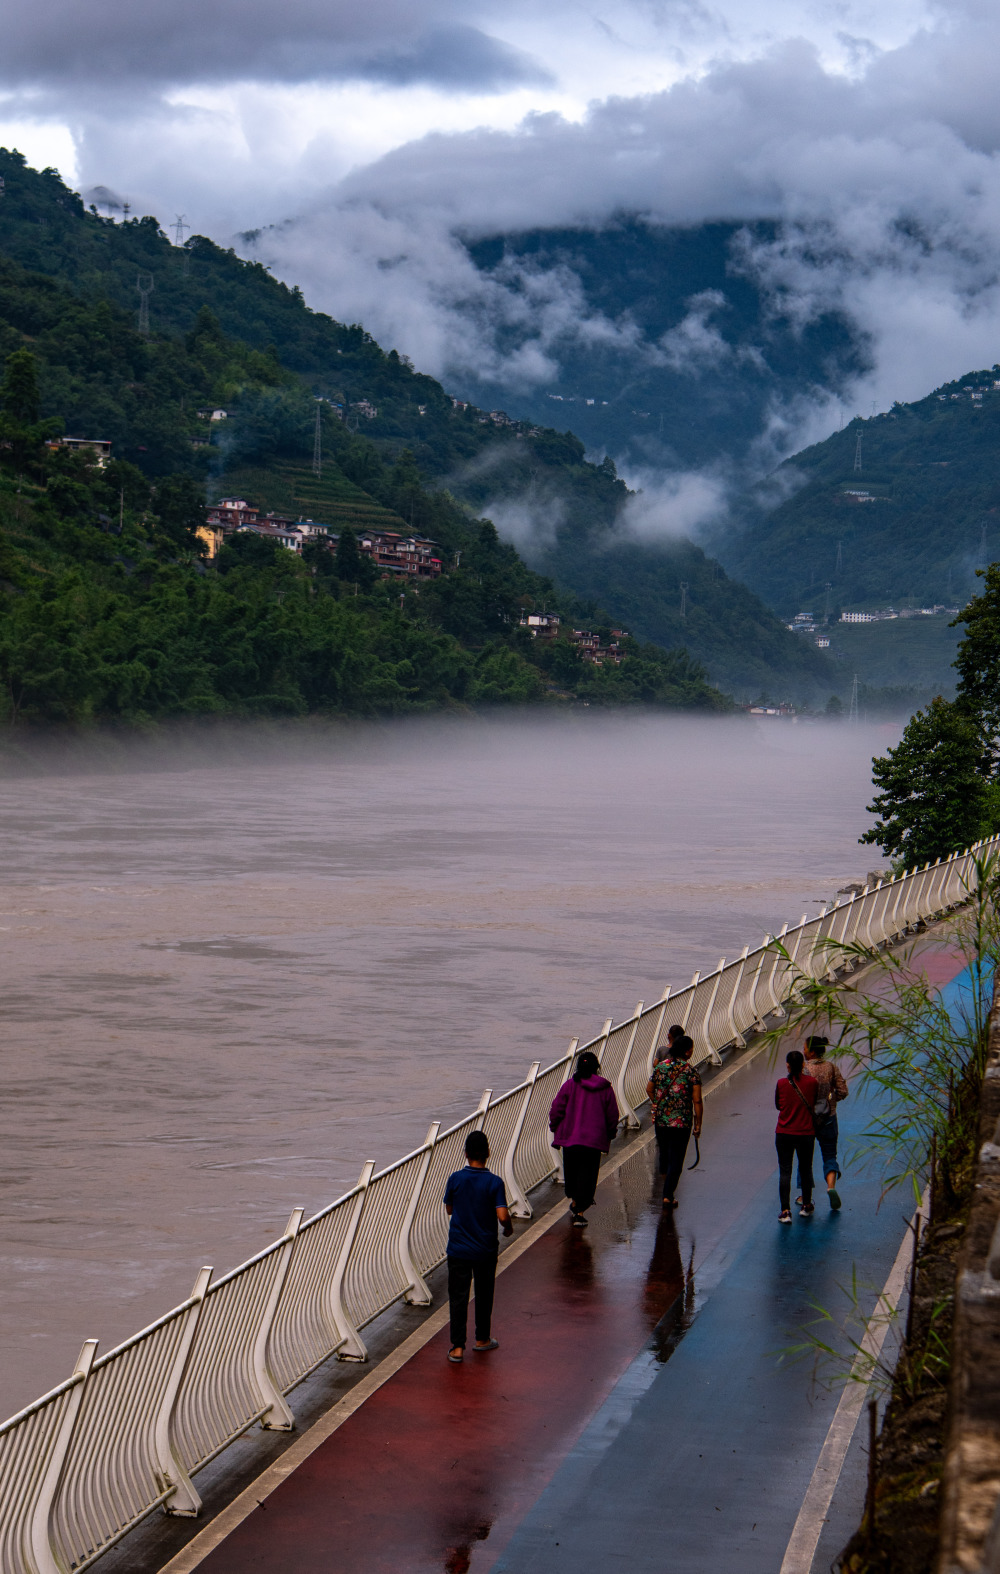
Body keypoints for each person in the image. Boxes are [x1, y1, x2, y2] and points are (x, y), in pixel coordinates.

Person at [444, 1130, 513, 1363]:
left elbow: (449, 1209)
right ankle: (482, 1339)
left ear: (465, 1154)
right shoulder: (495, 1182)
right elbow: (502, 1215)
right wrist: (508, 1227)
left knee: (458, 1297)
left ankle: (457, 1348)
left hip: (458, 1248)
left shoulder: (455, 1178)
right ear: (488, 1153)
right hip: (485, 1249)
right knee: (484, 1294)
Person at [549, 1050, 620, 1225]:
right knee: (588, 1175)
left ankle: (575, 1203)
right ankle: (579, 1211)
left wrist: (554, 1125)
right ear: (596, 1067)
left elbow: (556, 1109)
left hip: (571, 1140)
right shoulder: (605, 1088)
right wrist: (611, 1132)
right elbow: (612, 1114)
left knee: (572, 1173)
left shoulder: (569, 1086)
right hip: (594, 1141)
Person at [647, 1034, 703, 1207]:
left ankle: (666, 1184)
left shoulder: (660, 1067)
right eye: (691, 1049)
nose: (692, 1051)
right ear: (686, 1052)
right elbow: (697, 1100)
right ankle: (668, 1195)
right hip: (681, 1122)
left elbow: (649, 1089)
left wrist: (658, 1103)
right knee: (677, 1158)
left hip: (661, 1120)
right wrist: (698, 1124)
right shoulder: (691, 1071)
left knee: (664, 1154)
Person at [799, 1036, 848, 1211]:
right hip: (829, 1117)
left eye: (805, 1048)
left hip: (808, 1119)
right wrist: (831, 1100)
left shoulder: (804, 1070)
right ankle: (831, 1186)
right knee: (829, 1155)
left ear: (812, 1052)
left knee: (805, 1159)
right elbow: (843, 1091)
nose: (803, 1051)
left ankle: (804, 1195)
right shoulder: (831, 1067)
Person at [775, 1049, 818, 1223]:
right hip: (806, 1132)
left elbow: (778, 1105)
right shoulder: (812, 1082)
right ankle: (806, 1205)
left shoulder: (781, 1083)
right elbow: (814, 1102)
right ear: (803, 1065)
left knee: (785, 1171)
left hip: (784, 1132)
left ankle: (785, 1211)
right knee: (806, 1168)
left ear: (787, 1065)